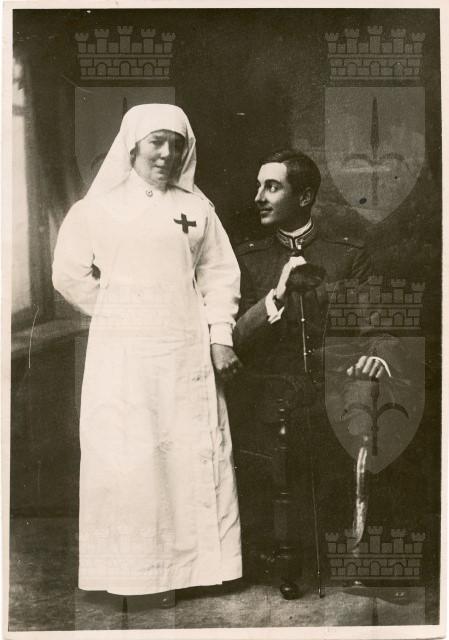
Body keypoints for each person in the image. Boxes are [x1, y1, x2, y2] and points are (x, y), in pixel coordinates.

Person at [52, 104, 242, 604]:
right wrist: (118, 313)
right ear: (132, 146)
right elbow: (68, 274)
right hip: (125, 357)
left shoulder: (197, 209)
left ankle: (198, 569)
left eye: (177, 144)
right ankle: (139, 577)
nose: (166, 153)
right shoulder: (96, 209)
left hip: (185, 352)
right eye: (157, 141)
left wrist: (220, 335)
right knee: (132, 456)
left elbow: (219, 274)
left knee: (188, 452)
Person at [230, 149, 399, 585]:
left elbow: (376, 328)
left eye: (272, 187)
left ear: (304, 197)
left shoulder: (347, 254)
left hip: (334, 385)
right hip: (272, 391)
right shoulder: (247, 258)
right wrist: (276, 297)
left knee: (371, 414)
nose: (259, 197)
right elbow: (234, 340)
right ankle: (284, 556)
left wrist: (376, 355)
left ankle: (360, 551)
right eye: (258, 186)